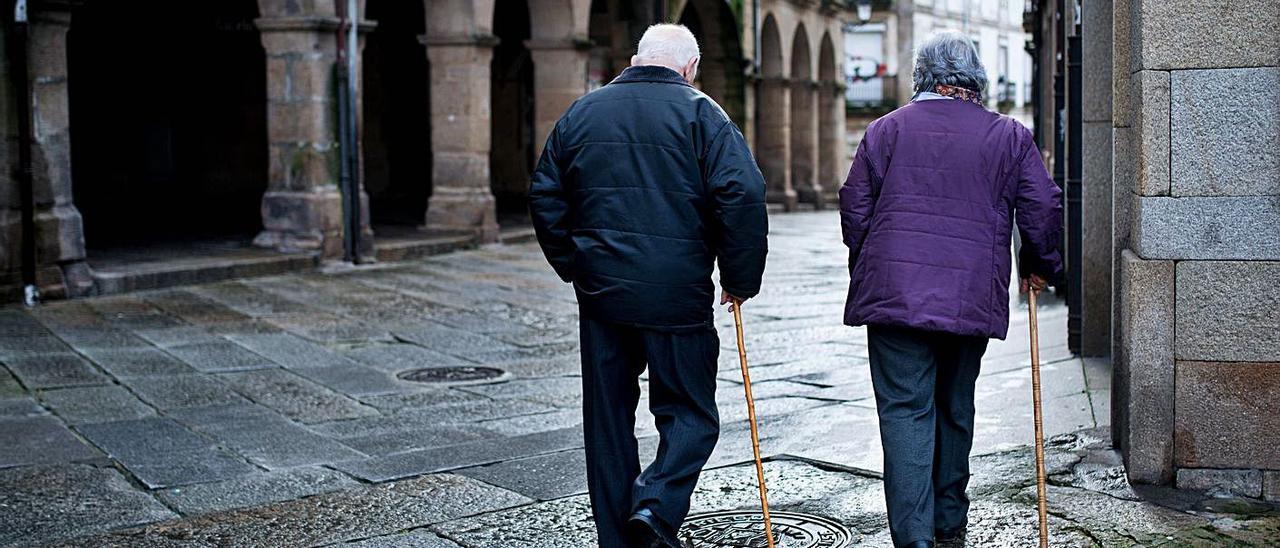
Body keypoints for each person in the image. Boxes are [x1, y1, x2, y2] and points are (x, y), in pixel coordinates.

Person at [528, 23, 768, 548]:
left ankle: (618, 537)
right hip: (676, 296)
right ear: (689, 68)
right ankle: (656, 507)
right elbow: (743, 194)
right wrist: (739, 278)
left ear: (636, 59)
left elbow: (545, 195)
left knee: (608, 421)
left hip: (602, 296)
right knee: (690, 412)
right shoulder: (704, 114)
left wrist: (576, 265)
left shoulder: (582, 112)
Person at [838, 31, 1064, 548]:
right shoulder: (1008, 136)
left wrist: (873, 262)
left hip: (895, 301)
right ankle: (948, 526)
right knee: (955, 406)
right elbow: (1044, 207)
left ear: (922, 76)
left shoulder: (884, 131)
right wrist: (1037, 264)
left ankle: (915, 538)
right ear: (976, 79)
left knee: (904, 412)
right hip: (968, 298)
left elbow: (854, 208)